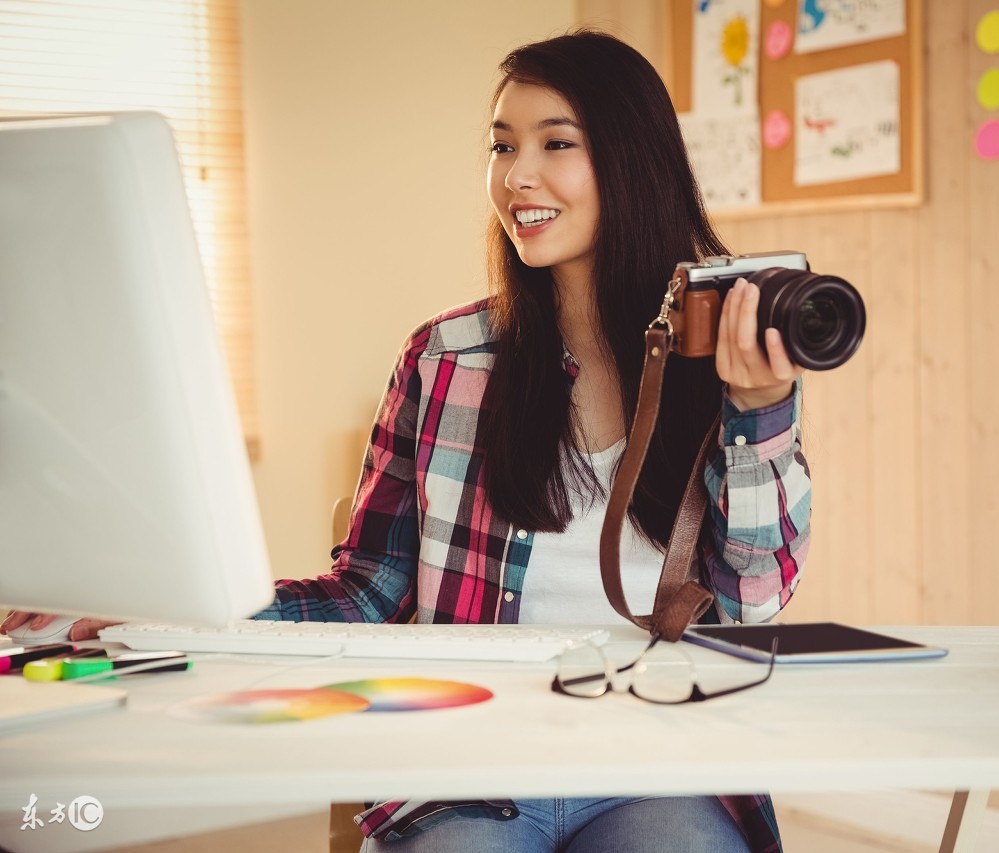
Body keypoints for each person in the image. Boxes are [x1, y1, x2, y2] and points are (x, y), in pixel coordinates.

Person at [3, 30, 811, 853]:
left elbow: (750, 605)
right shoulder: (442, 357)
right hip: (466, 769)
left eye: (555, 143)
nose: (516, 175)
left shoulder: (724, 354)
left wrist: (760, 412)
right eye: (502, 146)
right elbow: (368, 593)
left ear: (633, 160)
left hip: (658, 760)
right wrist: (160, 614)